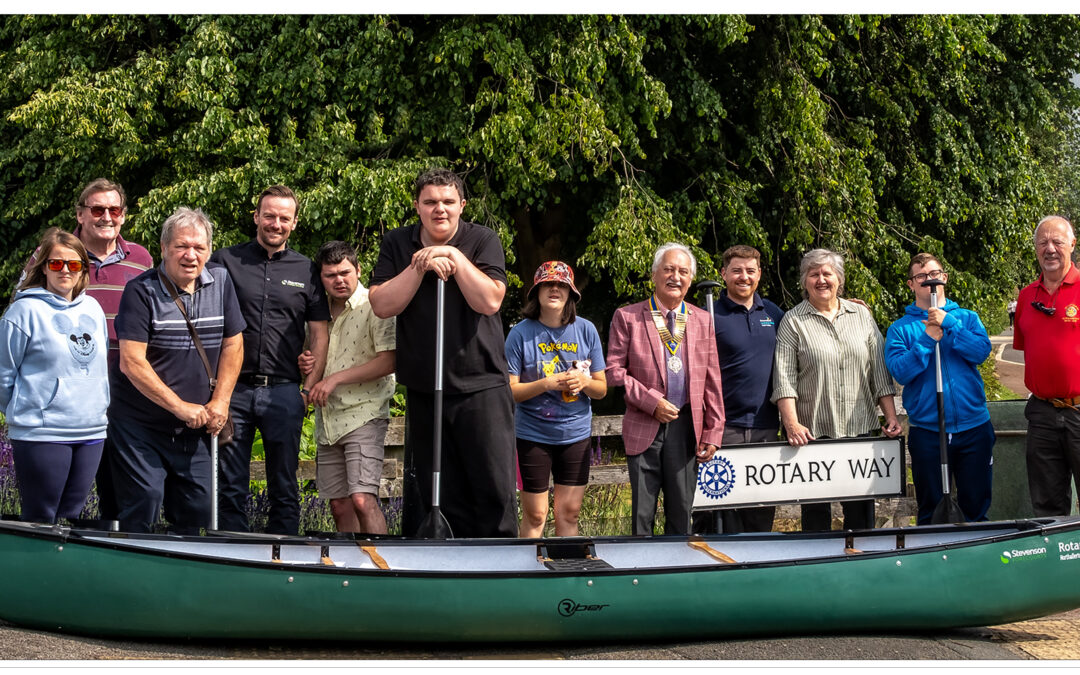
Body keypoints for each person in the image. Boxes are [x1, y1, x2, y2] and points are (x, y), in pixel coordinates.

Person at [369, 168, 516, 538]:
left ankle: (499, 563)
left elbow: (490, 301)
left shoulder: (482, 240)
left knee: (491, 484)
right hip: (424, 385)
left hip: (480, 383)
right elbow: (382, 304)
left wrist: (453, 255)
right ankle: (443, 558)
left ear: (462, 205)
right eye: (431, 202)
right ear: (417, 205)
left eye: (448, 202)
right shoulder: (397, 242)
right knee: (436, 488)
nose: (440, 209)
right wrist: (418, 266)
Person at [21, 179, 154, 523]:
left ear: (124, 215)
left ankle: (110, 564)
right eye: (97, 209)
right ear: (80, 214)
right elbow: (24, 316)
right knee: (57, 504)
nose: (106, 216)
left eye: (114, 209)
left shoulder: (141, 258)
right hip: (66, 399)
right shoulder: (54, 255)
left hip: (126, 390)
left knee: (122, 492)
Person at [109, 207, 245, 534]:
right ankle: (133, 573)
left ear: (209, 251)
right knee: (145, 499)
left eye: (199, 248)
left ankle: (181, 575)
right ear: (163, 248)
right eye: (181, 246)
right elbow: (131, 361)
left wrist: (222, 401)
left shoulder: (222, 282)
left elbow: (233, 344)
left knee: (200, 507)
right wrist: (180, 407)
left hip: (195, 428)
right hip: (141, 423)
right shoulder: (140, 291)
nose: (190, 255)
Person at [209, 185, 330, 535]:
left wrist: (307, 390)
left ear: (294, 223)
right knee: (230, 484)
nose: (275, 223)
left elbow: (319, 333)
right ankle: (231, 552)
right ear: (257, 217)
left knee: (284, 485)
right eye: (269, 215)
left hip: (284, 393)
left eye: (284, 218)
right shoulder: (224, 261)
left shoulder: (307, 270)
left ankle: (285, 557)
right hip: (234, 392)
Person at [771, 248, 902, 531]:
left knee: (861, 518)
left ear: (839, 279)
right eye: (813, 274)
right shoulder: (792, 322)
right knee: (815, 519)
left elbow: (878, 373)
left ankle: (861, 568)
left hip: (860, 430)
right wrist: (791, 424)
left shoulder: (862, 316)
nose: (821, 280)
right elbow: (784, 379)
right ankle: (817, 571)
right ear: (804, 281)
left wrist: (890, 416)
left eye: (827, 273)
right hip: (812, 434)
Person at [606, 242, 725, 535]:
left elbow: (712, 379)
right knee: (641, 513)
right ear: (654, 275)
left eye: (683, 271)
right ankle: (639, 574)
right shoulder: (628, 316)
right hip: (644, 422)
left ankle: (676, 572)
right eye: (669, 269)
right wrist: (650, 401)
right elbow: (613, 372)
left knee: (682, 510)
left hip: (686, 425)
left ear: (691, 279)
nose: (676, 276)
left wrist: (713, 430)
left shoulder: (703, 320)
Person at [1, 228, 109, 523]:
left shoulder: (93, 308)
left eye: (74, 265)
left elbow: (100, 367)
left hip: (91, 432)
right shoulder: (22, 312)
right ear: (44, 267)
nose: (65, 270)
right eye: (56, 263)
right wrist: (26, 410)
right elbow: (3, 375)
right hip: (42, 434)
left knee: (70, 519)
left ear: (83, 270)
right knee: (40, 518)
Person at [885, 253, 995, 524]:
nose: (928, 280)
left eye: (934, 274)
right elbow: (900, 371)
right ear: (911, 284)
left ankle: (976, 557)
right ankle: (932, 558)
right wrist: (926, 339)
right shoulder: (900, 329)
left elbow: (980, 352)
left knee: (975, 504)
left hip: (973, 427)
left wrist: (950, 325)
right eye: (921, 276)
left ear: (944, 278)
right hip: (928, 432)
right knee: (931, 508)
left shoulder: (967, 318)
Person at [505, 261, 607, 537]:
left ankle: (566, 572)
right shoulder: (519, 333)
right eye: (547, 284)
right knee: (536, 514)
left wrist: (584, 382)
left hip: (575, 434)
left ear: (571, 293)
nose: (554, 289)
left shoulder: (586, 330)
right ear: (536, 292)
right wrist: (545, 383)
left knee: (569, 513)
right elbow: (509, 391)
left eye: (561, 285)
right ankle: (527, 574)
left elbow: (601, 389)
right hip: (532, 435)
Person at [303, 241, 396, 534]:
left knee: (362, 498)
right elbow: (313, 357)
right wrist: (305, 362)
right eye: (330, 275)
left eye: (345, 272)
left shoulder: (375, 305)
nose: (339, 280)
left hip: (364, 413)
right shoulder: (317, 313)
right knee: (339, 505)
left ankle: (381, 569)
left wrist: (334, 379)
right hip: (329, 417)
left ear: (358, 269)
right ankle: (349, 570)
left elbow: (389, 362)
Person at [710, 245, 785, 533]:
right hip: (723, 428)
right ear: (724, 274)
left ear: (759, 274)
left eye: (750, 271)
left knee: (760, 513)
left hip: (765, 427)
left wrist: (850, 307)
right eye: (737, 270)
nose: (744, 277)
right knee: (721, 514)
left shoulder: (774, 313)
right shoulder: (709, 314)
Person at [1014, 215, 1080, 516]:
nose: (1050, 249)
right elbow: (1033, 351)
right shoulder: (1027, 296)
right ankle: (1057, 561)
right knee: (1047, 505)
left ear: (1072, 245)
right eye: (1043, 242)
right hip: (1042, 413)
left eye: (1058, 241)